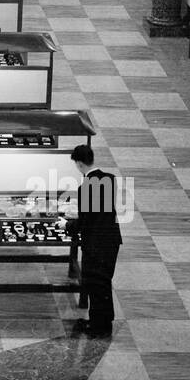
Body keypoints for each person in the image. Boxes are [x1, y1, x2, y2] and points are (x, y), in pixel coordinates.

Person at [67, 144, 122, 338]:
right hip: (111, 240)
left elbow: (84, 221)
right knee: (104, 283)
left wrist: (65, 226)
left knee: (94, 283)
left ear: (80, 164)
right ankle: (104, 322)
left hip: (96, 244)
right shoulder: (110, 179)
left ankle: (99, 327)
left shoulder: (85, 188)